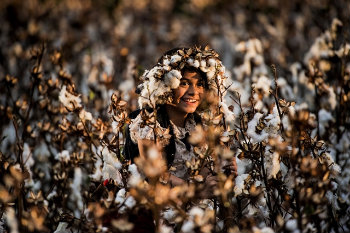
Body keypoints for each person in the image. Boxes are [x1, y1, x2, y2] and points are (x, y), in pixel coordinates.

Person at [124, 46, 236, 195]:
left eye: (200, 84)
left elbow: (202, 173)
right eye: (184, 83)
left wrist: (223, 169)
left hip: (190, 208)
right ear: (165, 85)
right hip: (152, 206)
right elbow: (154, 175)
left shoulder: (199, 124)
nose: (193, 92)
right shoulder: (148, 122)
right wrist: (196, 190)